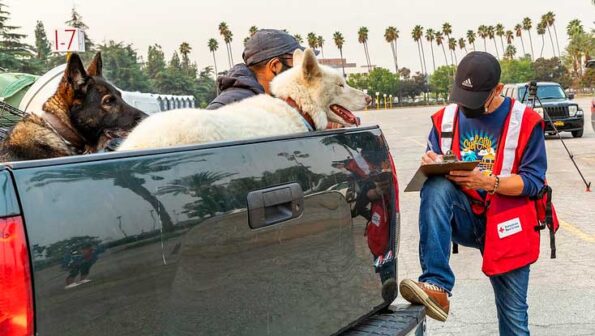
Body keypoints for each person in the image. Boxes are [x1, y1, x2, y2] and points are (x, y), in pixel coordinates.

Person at [399, 51, 554, 336]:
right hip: (465, 216)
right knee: (434, 186)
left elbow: (534, 182)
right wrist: (430, 162)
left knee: (514, 319)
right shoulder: (445, 119)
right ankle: (436, 285)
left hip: (508, 224)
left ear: (497, 90)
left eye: (475, 101)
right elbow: (434, 157)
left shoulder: (526, 121)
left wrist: (488, 182)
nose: (465, 107)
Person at [207, 29, 311, 110]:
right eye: (296, 63)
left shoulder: (263, 101)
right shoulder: (236, 107)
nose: (300, 71)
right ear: (274, 66)